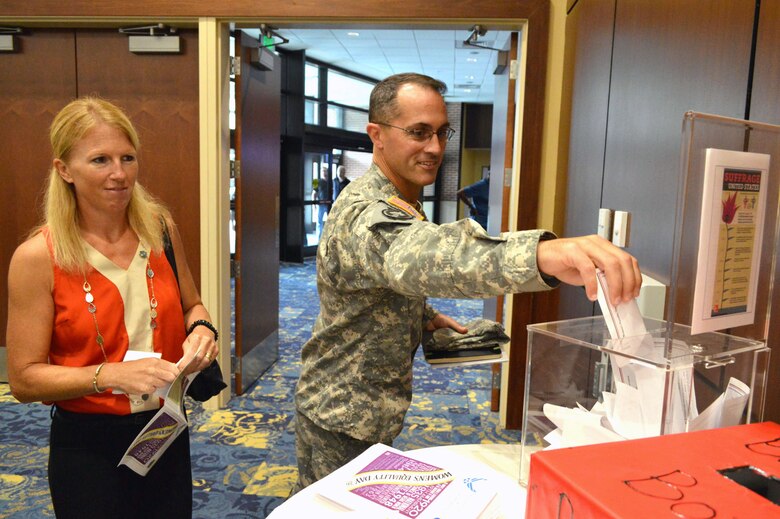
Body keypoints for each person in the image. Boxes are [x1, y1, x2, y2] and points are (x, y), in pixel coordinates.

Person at [292, 72, 641, 491]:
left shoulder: (398, 198)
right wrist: (542, 254)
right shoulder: (368, 213)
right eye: (419, 132)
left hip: (367, 403)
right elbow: (425, 257)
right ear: (377, 135)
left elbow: (383, 277)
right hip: (341, 412)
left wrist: (424, 315)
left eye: (442, 132)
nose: (435, 148)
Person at [6, 97, 219, 518]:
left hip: (165, 426)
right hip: (88, 442)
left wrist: (203, 331)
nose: (119, 174)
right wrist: (109, 375)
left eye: (128, 158)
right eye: (100, 160)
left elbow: (193, 304)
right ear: (64, 170)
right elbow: (24, 380)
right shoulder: (37, 258)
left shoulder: (159, 229)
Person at [314, 163, 330, 239]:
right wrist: (314, 205)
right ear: (321, 172)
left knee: (329, 221)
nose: (324, 172)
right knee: (319, 222)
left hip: (329, 204)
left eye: (325, 171)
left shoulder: (331, 181)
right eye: (323, 171)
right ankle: (319, 239)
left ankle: (327, 238)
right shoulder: (316, 181)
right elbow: (314, 193)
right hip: (320, 204)